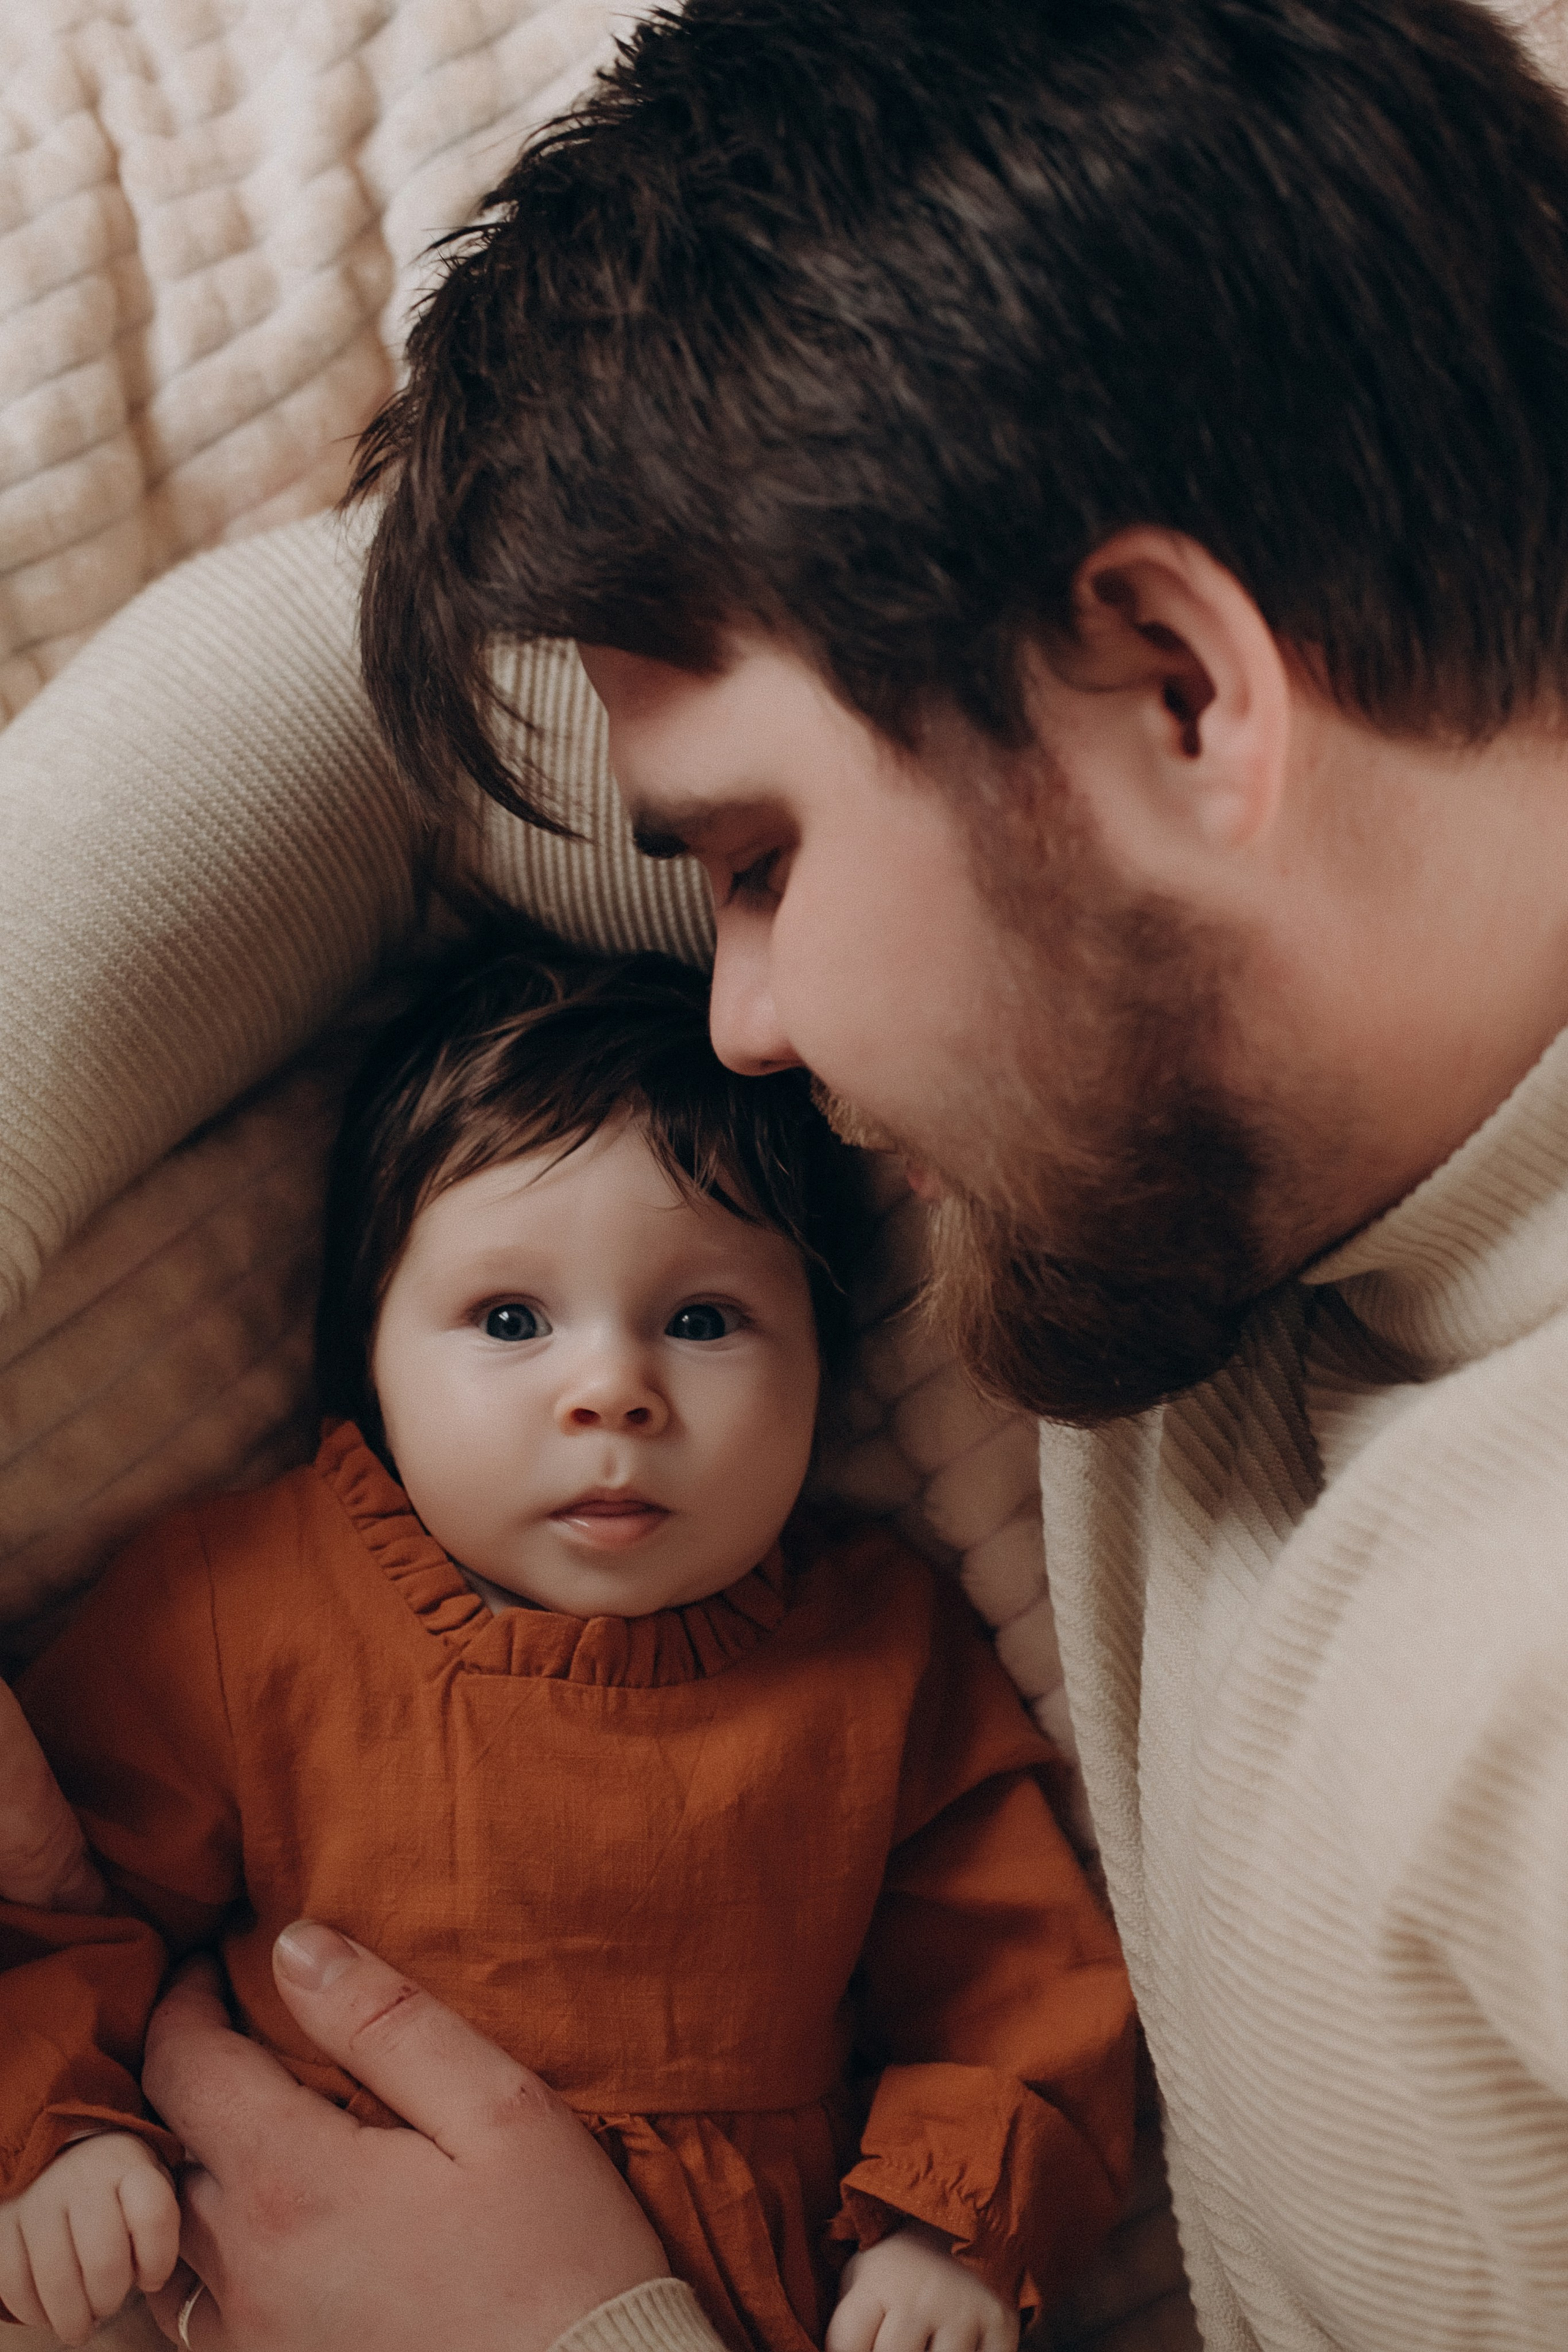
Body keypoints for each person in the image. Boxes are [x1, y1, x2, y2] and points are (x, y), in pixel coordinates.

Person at [5, 0, 1568, 2347]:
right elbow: (356, 706)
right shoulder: (1208, 1103)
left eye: (756, 863)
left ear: (1177, 694)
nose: (739, 1017)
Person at [0, 944, 1133, 2350]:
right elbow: (60, 1907)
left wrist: (947, 2231)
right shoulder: (245, 1601)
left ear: (824, 1374)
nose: (613, 1392)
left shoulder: (875, 1654)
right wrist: (56, 2137)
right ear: (371, 1359)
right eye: (511, 1319)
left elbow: (1017, 1974)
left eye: (703, 1320)